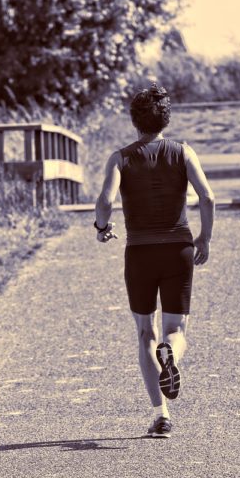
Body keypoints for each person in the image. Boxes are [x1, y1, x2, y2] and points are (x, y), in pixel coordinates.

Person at [94, 82, 215, 438]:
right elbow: (207, 197)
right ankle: (171, 354)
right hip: (178, 250)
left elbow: (105, 200)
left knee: (145, 332)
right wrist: (204, 237)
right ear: (166, 119)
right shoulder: (183, 152)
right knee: (176, 331)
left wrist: (102, 227)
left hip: (140, 253)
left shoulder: (121, 158)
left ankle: (161, 415)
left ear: (134, 121)